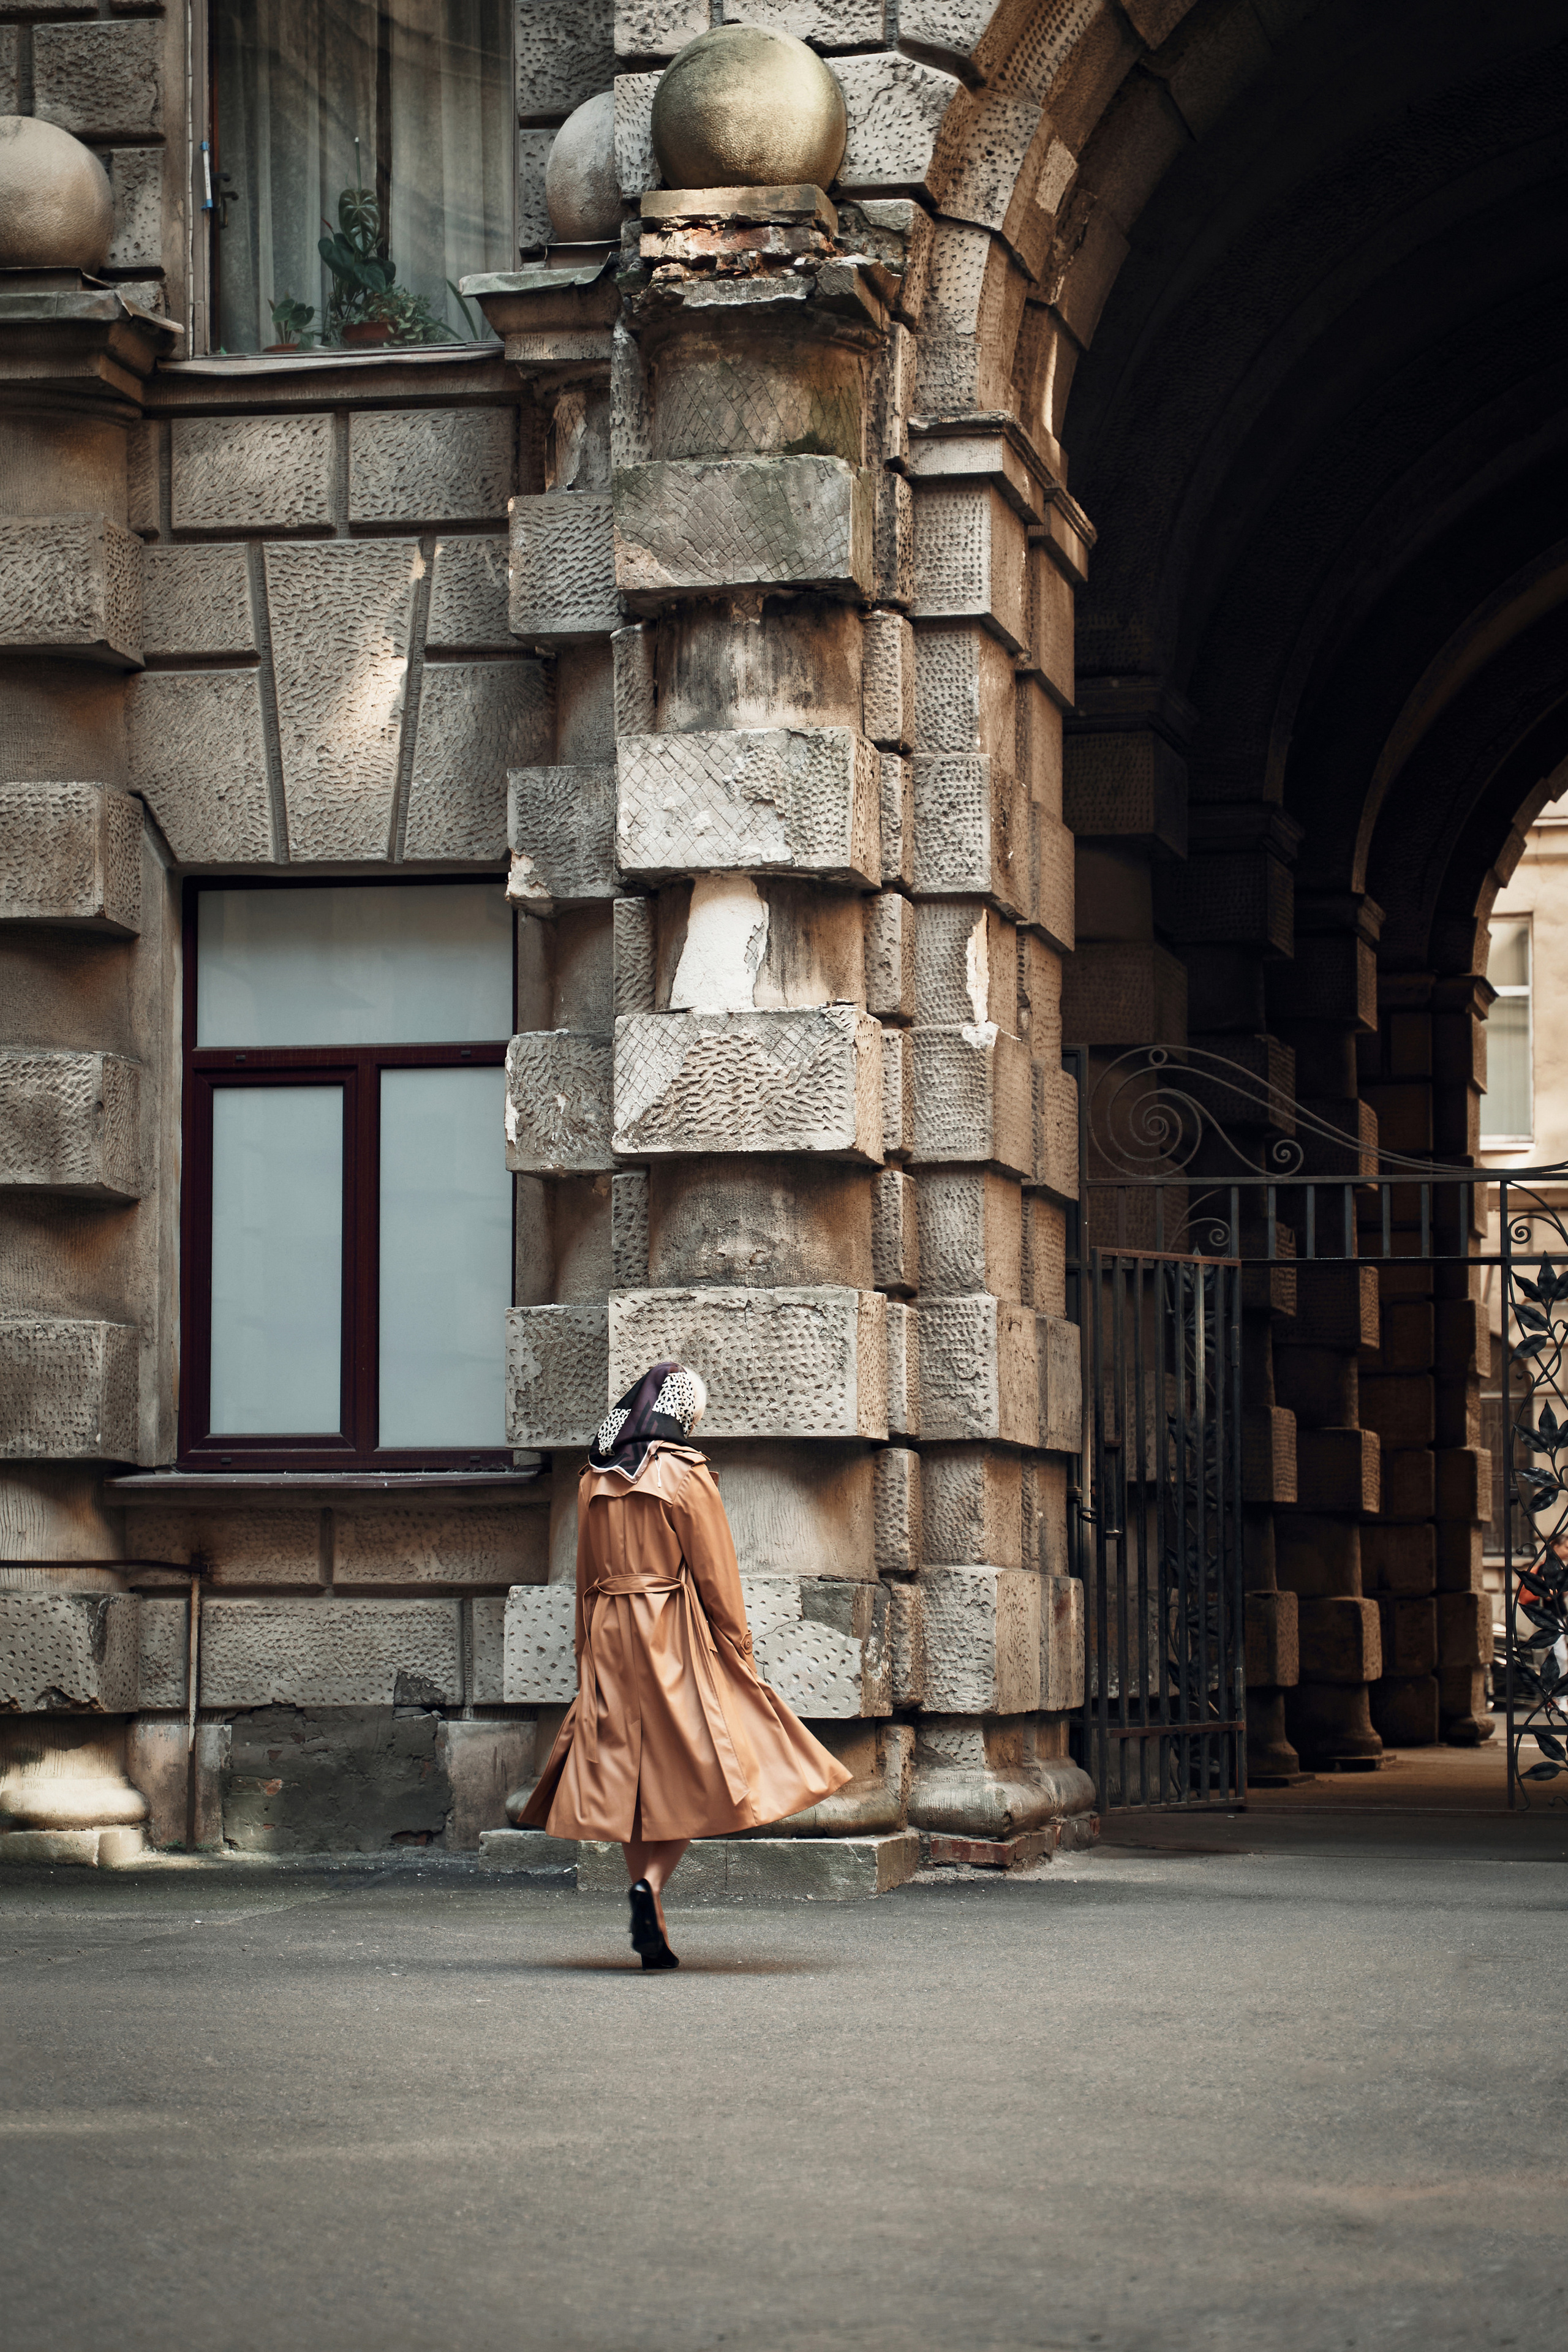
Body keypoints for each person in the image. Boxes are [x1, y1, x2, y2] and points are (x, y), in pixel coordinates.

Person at [519, 1360, 851, 1969]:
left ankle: (649, 1905)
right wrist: (738, 1648)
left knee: (630, 1779)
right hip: (671, 1628)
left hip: (610, 1632)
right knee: (694, 1767)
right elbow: (715, 1570)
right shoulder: (684, 1473)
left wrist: (585, 1652)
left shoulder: (591, 1479)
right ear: (679, 1411)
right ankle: (651, 1889)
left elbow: (586, 1579)